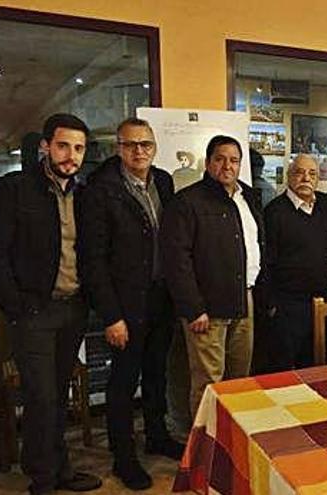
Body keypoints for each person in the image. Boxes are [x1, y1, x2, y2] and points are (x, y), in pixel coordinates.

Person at [0, 113, 101, 494]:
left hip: (72, 308)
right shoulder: (13, 189)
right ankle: (44, 479)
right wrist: (17, 307)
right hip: (34, 312)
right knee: (41, 397)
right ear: (45, 146)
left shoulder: (83, 195)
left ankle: (57, 468)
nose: (71, 155)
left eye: (79, 148)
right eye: (63, 145)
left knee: (58, 394)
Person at [79, 118, 183, 490]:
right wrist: (111, 315)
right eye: (130, 145)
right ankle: (124, 457)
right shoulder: (100, 191)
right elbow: (93, 260)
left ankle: (156, 435)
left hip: (161, 297)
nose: (139, 151)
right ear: (117, 148)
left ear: (154, 147)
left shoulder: (164, 182)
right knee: (123, 382)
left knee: (157, 372)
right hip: (125, 304)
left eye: (146, 144)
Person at [161, 135, 263, 416]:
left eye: (234, 160)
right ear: (207, 163)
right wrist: (193, 308)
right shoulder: (187, 202)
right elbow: (176, 260)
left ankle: (232, 445)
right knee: (209, 384)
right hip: (207, 308)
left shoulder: (248, 197)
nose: (227, 166)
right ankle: (203, 454)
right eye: (219, 159)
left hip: (245, 299)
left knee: (238, 381)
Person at [261, 154, 327, 370]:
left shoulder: (325, 206)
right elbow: (266, 262)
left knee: (314, 367)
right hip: (286, 305)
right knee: (282, 370)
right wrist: (271, 304)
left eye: (312, 173)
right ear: (288, 176)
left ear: (318, 179)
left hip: (320, 303)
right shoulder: (274, 212)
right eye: (299, 172)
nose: (306, 178)